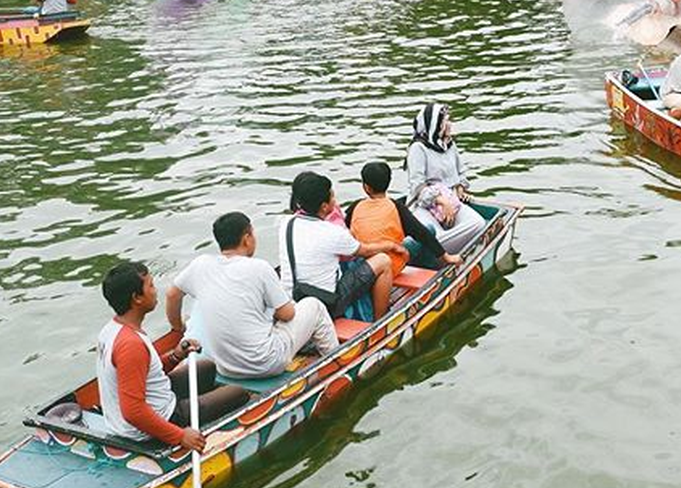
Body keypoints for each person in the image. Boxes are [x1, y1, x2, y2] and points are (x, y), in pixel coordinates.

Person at [165, 212, 340, 380]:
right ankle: (337, 362)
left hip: (225, 368)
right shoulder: (259, 268)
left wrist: (177, 327)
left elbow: (172, 295)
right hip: (266, 364)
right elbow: (288, 315)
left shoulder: (200, 264)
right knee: (314, 306)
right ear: (247, 239)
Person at [97, 261, 248, 451]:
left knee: (207, 367)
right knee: (239, 393)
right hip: (153, 423)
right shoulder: (130, 345)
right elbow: (133, 412)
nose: (155, 290)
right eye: (150, 285)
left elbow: (142, 372)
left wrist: (176, 356)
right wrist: (180, 436)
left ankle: (202, 406)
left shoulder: (111, 330)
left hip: (154, 401)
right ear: (137, 298)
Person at [279, 171, 400, 320]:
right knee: (383, 261)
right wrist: (390, 245)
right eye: (332, 197)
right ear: (324, 207)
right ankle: (380, 321)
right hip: (327, 303)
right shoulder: (333, 232)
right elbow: (364, 250)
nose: (335, 201)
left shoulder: (286, 223)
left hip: (292, 300)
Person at [346, 161, 462, 274]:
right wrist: (447, 257)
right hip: (390, 265)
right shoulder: (396, 207)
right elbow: (421, 233)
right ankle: (430, 270)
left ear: (366, 187)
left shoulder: (355, 207)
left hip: (362, 264)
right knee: (429, 229)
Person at [407, 103, 488, 253]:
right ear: (435, 125)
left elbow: (461, 173)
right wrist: (442, 201)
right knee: (434, 237)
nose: (450, 125)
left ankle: (439, 252)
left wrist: (459, 189)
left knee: (478, 224)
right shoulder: (418, 148)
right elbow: (417, 187)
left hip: (452, 201)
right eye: (446, 122)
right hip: (425, 205)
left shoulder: (449, 145)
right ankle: (437, 251)